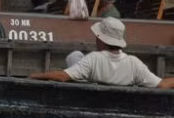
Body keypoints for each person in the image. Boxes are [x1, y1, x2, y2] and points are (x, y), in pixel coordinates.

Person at [29, 17, 174, 88]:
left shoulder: (94, 59)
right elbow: (161, 85)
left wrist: (35, 76)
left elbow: (62, 77)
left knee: (75, 56)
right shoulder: (133, 62)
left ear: (101, 39)